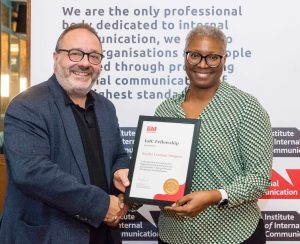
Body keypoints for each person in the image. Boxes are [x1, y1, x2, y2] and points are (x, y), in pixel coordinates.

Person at [0, 23, 131, 244]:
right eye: (75, 54)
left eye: (93, 56)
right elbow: (32, 173)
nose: (84, 63)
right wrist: (101, 206)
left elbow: (118, 154)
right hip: (47, 236)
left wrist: (120, 169)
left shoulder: (106, 108)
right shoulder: (27, 105)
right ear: (56, 57)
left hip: (102, 236)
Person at [155, 25, 273, 244]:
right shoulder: (165, 110)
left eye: (212, 57)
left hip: (232, 234)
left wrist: (215, 196)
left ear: (224, 59)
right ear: (185, 57)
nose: (202, 64)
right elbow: (154, 170)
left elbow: (259, 178)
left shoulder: (246, 107)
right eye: (195, 55)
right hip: (173, 235)